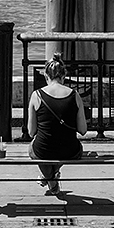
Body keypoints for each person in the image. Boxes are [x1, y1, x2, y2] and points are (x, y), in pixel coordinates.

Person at [28, 52, 87, 194]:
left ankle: (50, 180)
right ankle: (51, 177)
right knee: (68, 149)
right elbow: (83, 130)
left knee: (33, 149)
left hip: (43, 150)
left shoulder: (37, 95)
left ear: (46, 76)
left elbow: (31, 132)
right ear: (63, 76)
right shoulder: (74, 95)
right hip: (70, 151)